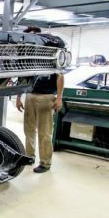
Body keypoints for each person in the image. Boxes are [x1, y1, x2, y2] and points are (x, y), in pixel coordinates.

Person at [16, 26, 64, 173]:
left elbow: (60, 76)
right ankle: (29, 156)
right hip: (30, 95)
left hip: (46, 97)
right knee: (28, 130)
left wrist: (59, 98)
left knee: (45, 133)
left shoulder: (51, 53)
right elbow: (22, 77)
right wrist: (19, 97)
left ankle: (45, 162)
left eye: (33, 36)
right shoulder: (28, 56)